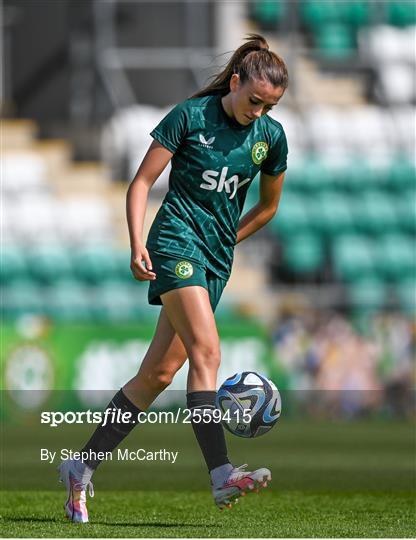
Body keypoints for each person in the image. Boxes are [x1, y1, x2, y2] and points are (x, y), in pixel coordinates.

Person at [58, 33, 289, 523]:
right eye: (253, 101)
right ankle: (221, 473)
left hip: (214, 259)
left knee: (157, 375)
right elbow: (141, 183)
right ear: (234, 82)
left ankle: (81, 465)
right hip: (174, 242)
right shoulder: (189, 117)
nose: (259, 113)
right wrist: (137, 241)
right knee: (207, 350)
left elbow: (268, 207)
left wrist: (230, 239)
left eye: (269, 106)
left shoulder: (270, 138)